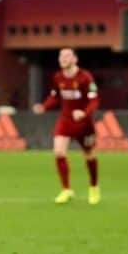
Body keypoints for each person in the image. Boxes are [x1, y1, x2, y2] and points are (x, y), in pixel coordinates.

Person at [32, 47, 101, 204]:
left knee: (89, 155)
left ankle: (94, 187)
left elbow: (94, 100)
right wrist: (44, 106)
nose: (63, 58)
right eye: (61, 56)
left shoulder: (85, 78)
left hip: (84, 123)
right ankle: (66, 190)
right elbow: (54, 97)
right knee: (58, 152)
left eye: (67, 56)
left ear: (75, 59)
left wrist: (84, 113)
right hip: (65, 120)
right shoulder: (58, 77)